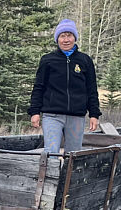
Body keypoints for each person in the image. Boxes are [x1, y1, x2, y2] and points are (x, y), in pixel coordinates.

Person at [28, 19, 102, 154]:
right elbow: (39, 87)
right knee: (51, 153)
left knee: (73, 155)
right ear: (57, 39)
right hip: (52, 115)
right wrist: (34, 112)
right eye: (62, 36)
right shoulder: (48, 60)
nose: (66, 39)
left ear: (74, 38)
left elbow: (91, 89)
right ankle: (52, 175)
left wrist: (94, 114)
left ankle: (68, 176)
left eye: (69, 35)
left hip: (76, 117)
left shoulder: (85, 60)